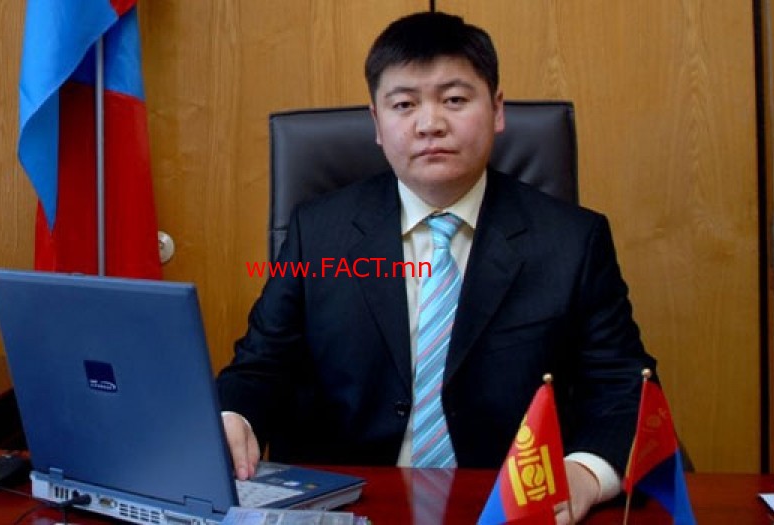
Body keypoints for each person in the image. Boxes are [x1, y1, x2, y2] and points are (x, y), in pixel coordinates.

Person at [217, 11, 656, 522]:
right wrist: (232, 416)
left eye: (454, 100)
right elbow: (261, 366)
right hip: (349, 505)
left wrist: (583, 473)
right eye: (404, 105)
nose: (430, 124)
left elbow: (626, 388)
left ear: (496, 110)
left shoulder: (572, 241)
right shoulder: (318, 233)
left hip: (507, 506)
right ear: (377, 123)